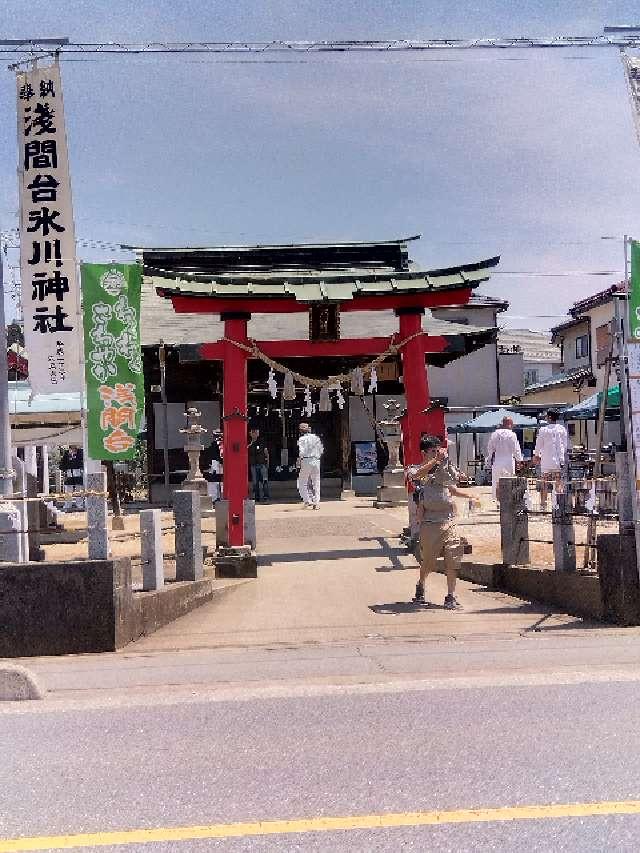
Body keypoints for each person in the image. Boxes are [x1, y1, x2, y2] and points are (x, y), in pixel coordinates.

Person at [411, 435, 480, 610]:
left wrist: (471, 494)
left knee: (453, 556)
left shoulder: (443, 468)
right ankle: (421, 583)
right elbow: (418, 476)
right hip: (430, 522)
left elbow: (452, 488)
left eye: (438, 450)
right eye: (432, 451)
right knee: (428, 562)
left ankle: (450, 595)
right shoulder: (416, 469)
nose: (437, 453)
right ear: (424, 452)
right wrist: (435, 461)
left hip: (448, 519)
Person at [533, 408, 569, 509]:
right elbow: (565, 445)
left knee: (544, 483)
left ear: (549, 417)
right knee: (558, 482)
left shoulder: (543, 430)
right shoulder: (562, 429)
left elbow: (538, 444)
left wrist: (536, 455)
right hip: (558, 460)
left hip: (546, 460)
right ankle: (559, 505)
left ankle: (543, 505)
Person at [486, 416, 523, 501]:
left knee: (497, 483)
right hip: (508, 461)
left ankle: (498, 501)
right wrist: (519, 461)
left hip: (497, 461)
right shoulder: (512, 434)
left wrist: (490, 459)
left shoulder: (494, 434)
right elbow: (516, 449)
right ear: (509, 424)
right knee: (509, 482)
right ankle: (507, 502)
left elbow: (490, 448)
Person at [297, 422, 323, 509]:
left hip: (306, 460)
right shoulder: (316, 438)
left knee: (302, 482)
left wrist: (299, 461)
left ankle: (307, 500)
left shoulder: (301, 439)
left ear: (301, 431)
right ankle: (316, 503)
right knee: (316, 482)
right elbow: (321, 450)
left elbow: (302, 452)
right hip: (316, 460)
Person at [248, 428, 270, 501]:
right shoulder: (248, 442)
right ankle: (257, 497)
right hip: (253, 464)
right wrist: (251, 443)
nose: (255, 434)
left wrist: (267, 462)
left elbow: (266, 452)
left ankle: (266, 496)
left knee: (264, 480)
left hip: (262, 463)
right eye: (253, 432)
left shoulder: (262, 441)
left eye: (256, 433)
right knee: (255, 482)